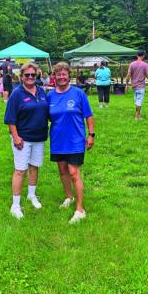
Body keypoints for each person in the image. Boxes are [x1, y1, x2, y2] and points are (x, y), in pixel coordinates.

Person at [47, 62, 94, 224]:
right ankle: (69, 197)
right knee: (62, 171)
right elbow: (44, 117)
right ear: (54, 77)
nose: (61, 77)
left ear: (69, 76)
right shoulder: (50, 97)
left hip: (75, 140)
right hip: (57, 140)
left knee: (74, 172)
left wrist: (91, 134)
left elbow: (89, 115)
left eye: (64, 74)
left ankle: (80, 210)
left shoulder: (79, 94)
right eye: (58, 74)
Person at [4, 63, 48, 220]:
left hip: (39, 137)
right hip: (22, 138)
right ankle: (15, 205)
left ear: (37, 76)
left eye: (33, 75)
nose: (30, 77)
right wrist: (15, 137)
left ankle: (31, 195)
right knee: (20, 170)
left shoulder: (42, 92)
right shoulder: (17, 94)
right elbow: (10, 118)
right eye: (27, 75)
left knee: (34, 167)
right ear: (21, 76)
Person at [125, 51, 148, 120]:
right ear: (143, 56)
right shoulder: (145, 65)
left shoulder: (132, 64)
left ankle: (137, 114)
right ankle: (137, 116)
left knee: (137, 100)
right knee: (139, 101)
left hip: (134, 86)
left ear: (137, 55)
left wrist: (126, 84)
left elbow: (128, 75)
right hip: (141, 86)